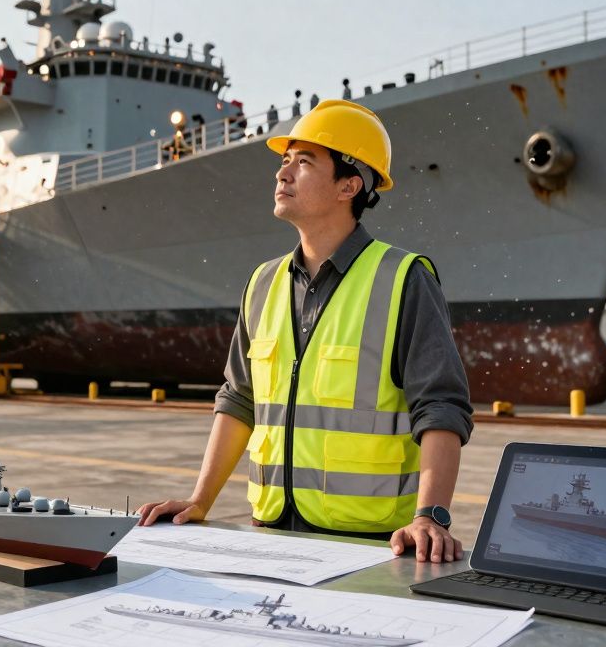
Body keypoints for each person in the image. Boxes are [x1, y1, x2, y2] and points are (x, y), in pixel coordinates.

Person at [137, 100, 473, 563]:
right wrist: (200, 500)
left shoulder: (404, 279)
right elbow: (239, 399)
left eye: (304, 162)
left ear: (349, 186)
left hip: (371, 546)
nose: (283, 174)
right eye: (284, 161)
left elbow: (441, 406)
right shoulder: (263, 282)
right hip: (270, 537)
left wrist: (430, 517)